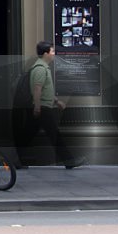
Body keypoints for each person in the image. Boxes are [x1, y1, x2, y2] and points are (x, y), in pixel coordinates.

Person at [29, 41, 85, 169]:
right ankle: (69, 160)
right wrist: (37, 106)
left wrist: (56, 101)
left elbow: (44, 89)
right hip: (43, 108)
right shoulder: (40, 69)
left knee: (28, 135)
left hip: (43, 106)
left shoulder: (42, 67)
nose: (54, 54)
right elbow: (37, 89)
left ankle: (16, 161)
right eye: (52, 51)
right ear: (45, 54)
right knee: (55, 136)